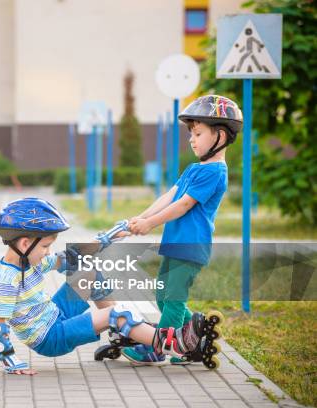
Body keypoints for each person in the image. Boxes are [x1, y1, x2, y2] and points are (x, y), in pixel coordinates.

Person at [0, 197, 204, 374]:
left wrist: (109, 236)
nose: (48, 252)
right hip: (51, 337)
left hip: (55, 314)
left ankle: (123, 332)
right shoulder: (7, 281)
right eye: (46, 246)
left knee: (89, 273)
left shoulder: (31, 260)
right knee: (117, 314)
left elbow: (71, 256)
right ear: (25, 244)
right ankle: (170, 344)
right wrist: (12, 363)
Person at [122, 94, 243, 365]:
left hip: (190, 246)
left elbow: (184, 206)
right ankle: (195, 336)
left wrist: (151, 224)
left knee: (174, 300)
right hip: (176, 243)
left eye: (198, 133)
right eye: (191, 133)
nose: (192, 139)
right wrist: (139, 218)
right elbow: (170, 196)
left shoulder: (215, 172)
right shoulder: (193, 169)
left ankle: (158, 347)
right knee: (164, 297)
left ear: (220, 137)